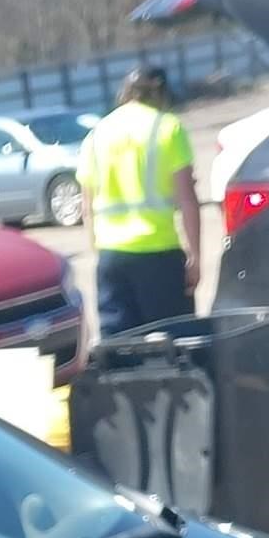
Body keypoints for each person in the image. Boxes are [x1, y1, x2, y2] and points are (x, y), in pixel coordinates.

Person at [81, 66, 200, 339]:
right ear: (159, 92)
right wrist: (195, 258)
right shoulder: (168, 127)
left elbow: (87, 207)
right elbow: (187, 201)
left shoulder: (98, 133)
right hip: (159, 255)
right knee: (177, 344)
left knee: (119, 347)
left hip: (112, 257)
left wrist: (97, 254)